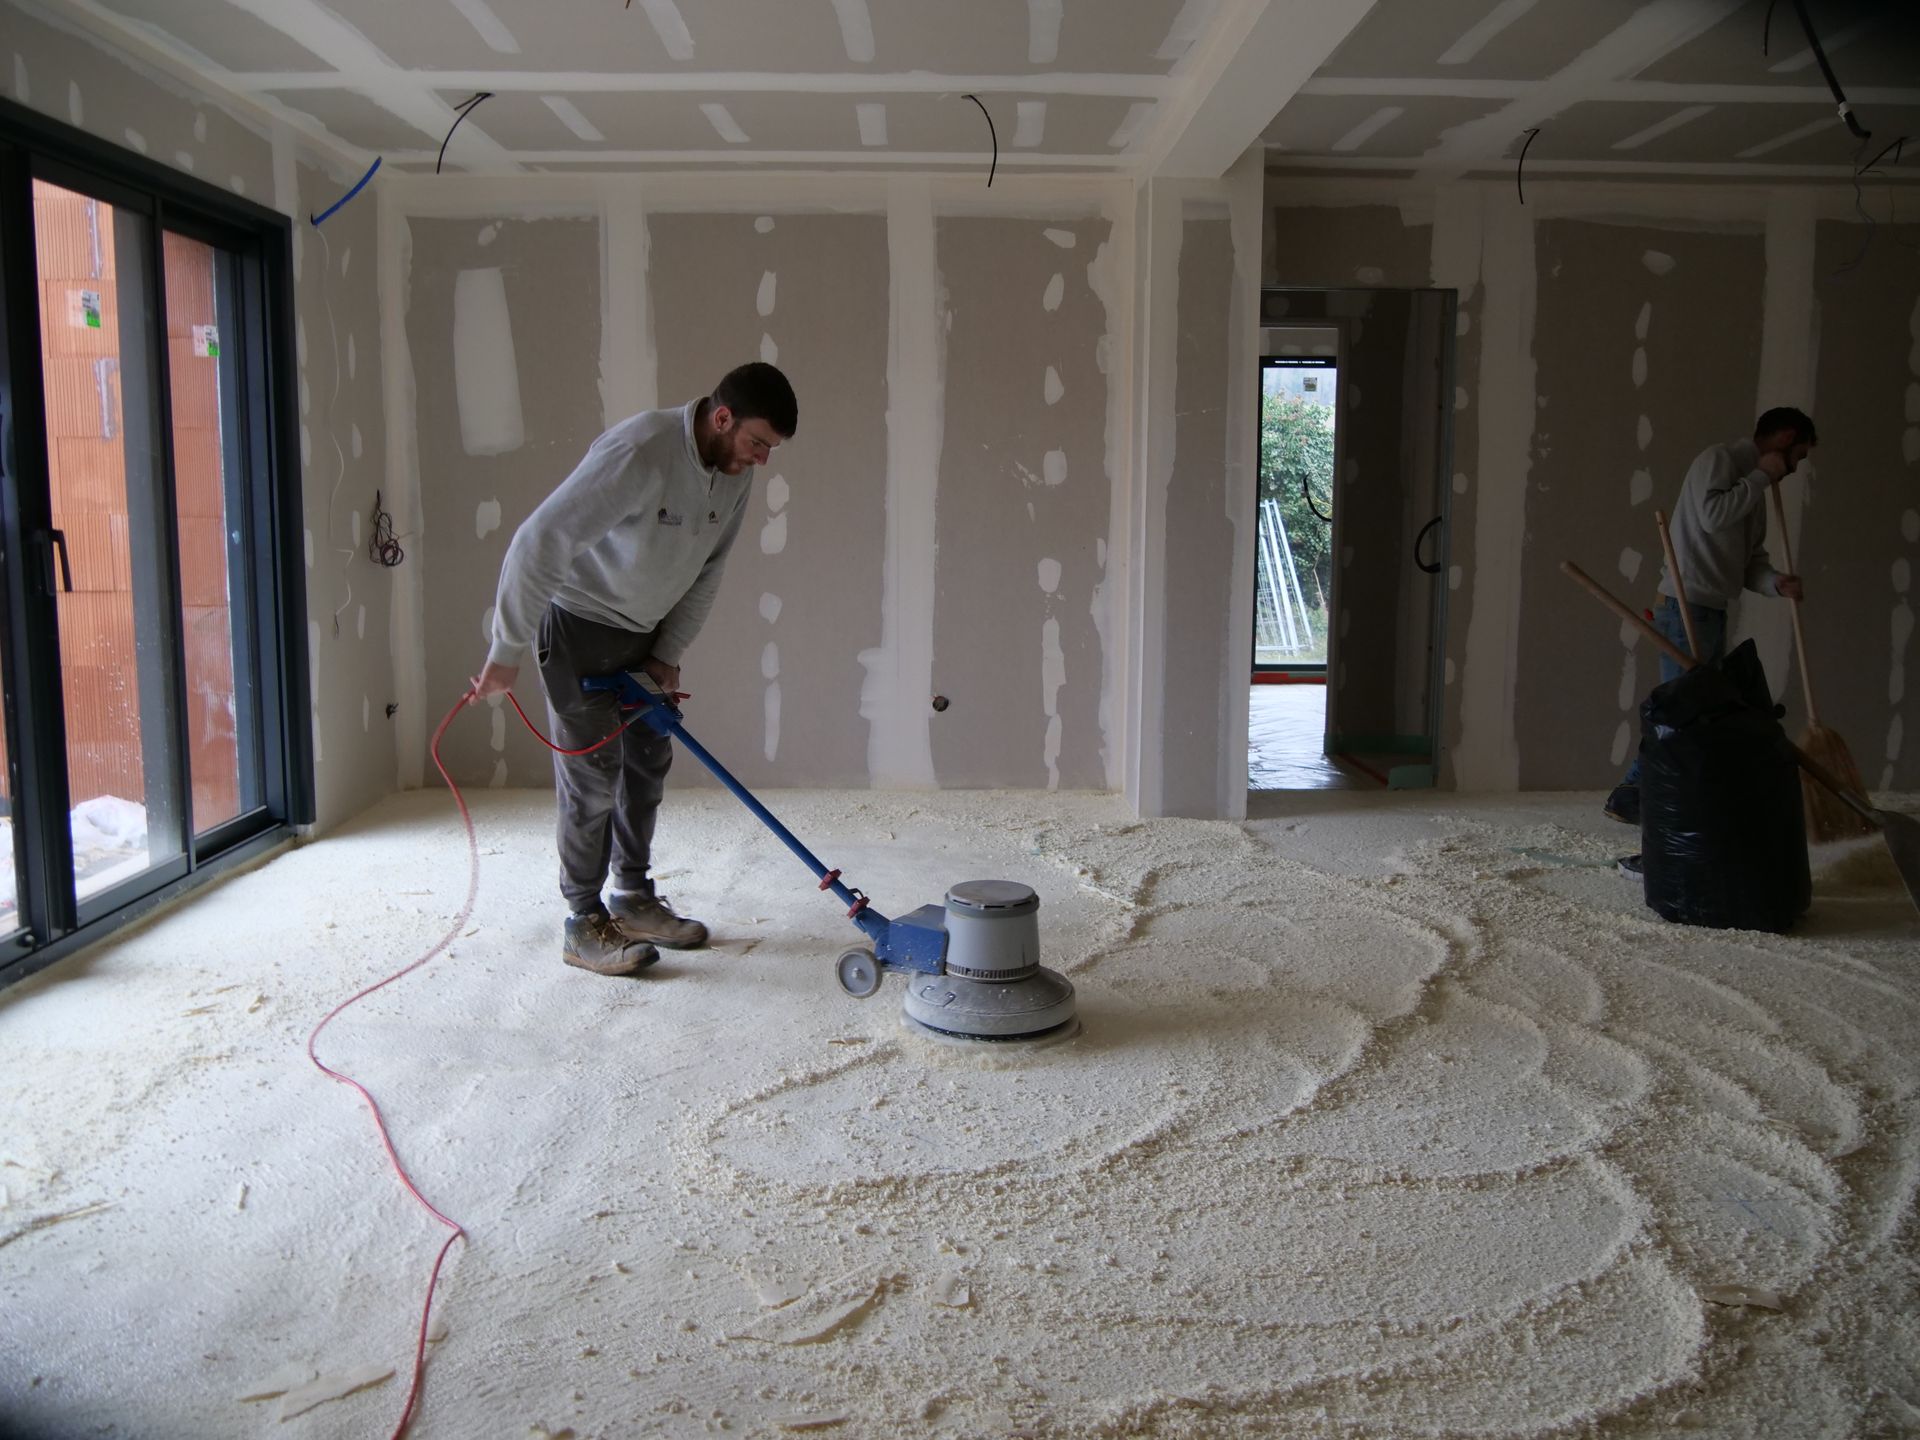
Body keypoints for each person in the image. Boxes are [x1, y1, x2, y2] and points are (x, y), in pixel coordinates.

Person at [467, 362, 797, 976]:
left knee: (648, 764)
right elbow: (538, 542)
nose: (761, 460)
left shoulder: (733, 471)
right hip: (577, 629)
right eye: (757, 443)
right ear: (721, 418)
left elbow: (709, 569)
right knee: (593, 777)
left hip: (643, 636)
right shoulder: (640, 451)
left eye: (769, 449)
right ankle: (583, 921)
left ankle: (634, 897)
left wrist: (667, 651)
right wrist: (505, 652)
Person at [1605, 406, 1814, 834]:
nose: (1795, 468)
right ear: (1785, 438)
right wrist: (1761, 476)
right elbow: (1712, 515)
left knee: (1696, 715)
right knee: (1681, 716)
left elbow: (1749, 561)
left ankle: (1641, 796)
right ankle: (1634, 796)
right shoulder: (1719, 461)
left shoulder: (1754, 492)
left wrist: (1776, 583)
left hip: (1711, 609)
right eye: (1798, 455)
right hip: (1684, 607)